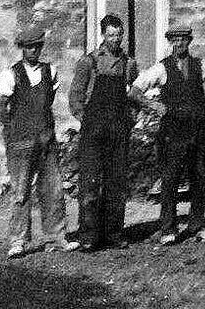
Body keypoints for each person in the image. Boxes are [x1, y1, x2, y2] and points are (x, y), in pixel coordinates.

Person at [0, 28, 79, 258]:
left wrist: (44, 131)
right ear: (22, 48)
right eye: (29, 47)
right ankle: (18, 240)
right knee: (21, 192)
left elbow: (47, 102)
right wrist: (13, 130)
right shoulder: (11, 74)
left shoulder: (51, 71)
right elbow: (1, 107)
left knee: (53, 190)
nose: (34, 50)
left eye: (37, 46)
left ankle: (56, 237)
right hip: (20, 144)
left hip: (46, 141)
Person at [129, 25, 205, 245]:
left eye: (183, 39)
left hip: (198, 128)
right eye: (175, 40)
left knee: (199, 177)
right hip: (173, 131)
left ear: (189, 41)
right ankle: (168, 228)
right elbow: (134, 91)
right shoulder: (161, 68)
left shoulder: (200, 65)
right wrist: (153, 105)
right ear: (170, 42)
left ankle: (197, 226)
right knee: (170, 179)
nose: (180, 43)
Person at [68, 14, 141, 251]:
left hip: (118, 130)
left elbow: (135, 96)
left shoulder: (129, 64)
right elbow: (75, 97)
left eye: (119, 35)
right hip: (93, 130)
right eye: (111, 35)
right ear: (103, 35)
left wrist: (130, 120)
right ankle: (88, 235)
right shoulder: (88, 62)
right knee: (90, 184)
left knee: (116, 184)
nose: (115, 39)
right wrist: (86, 120)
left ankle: (114, 234)